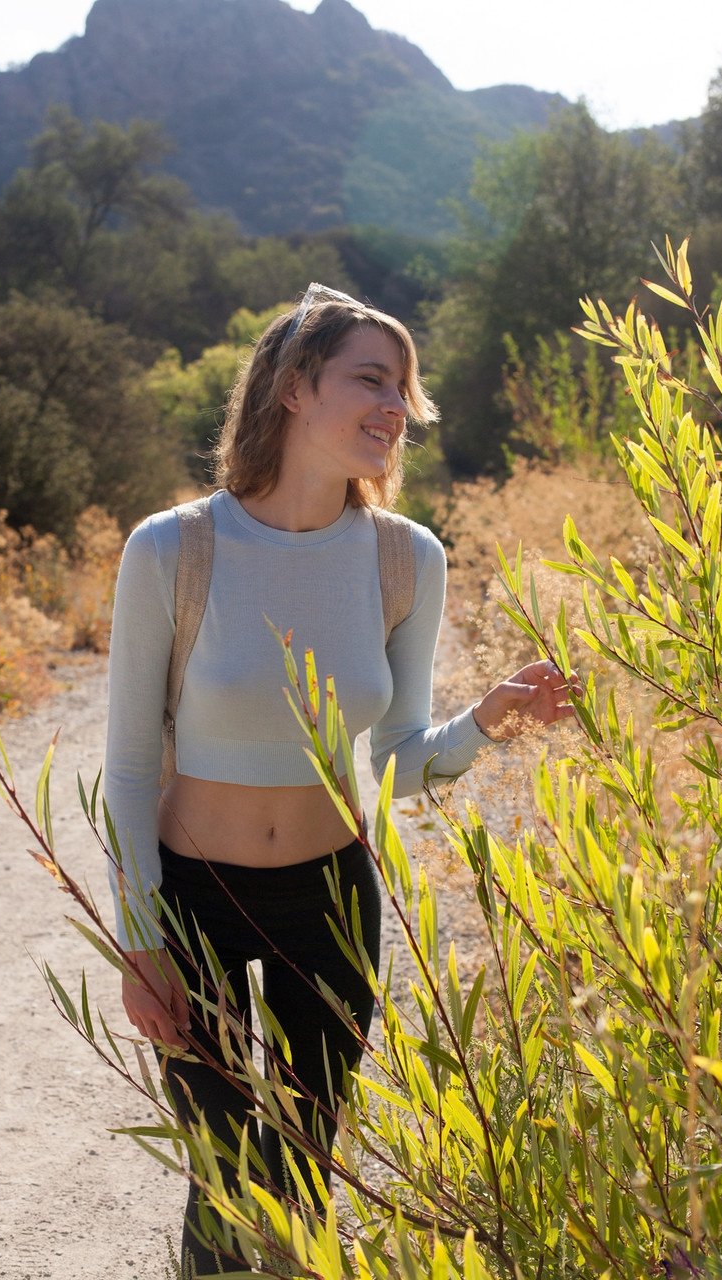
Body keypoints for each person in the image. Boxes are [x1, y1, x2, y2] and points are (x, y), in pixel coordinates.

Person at [103, 283, 578, 1275]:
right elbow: (132, 763)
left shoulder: (405, 557)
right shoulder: (173, 547)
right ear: (293, 387)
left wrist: (487, 720)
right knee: (226, 1172)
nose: (395, 406)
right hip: (194, 897)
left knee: (303, 1167)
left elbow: (397, 761)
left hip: (331, 898)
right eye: (371, 378)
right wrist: (141, 939)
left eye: (402, 386)